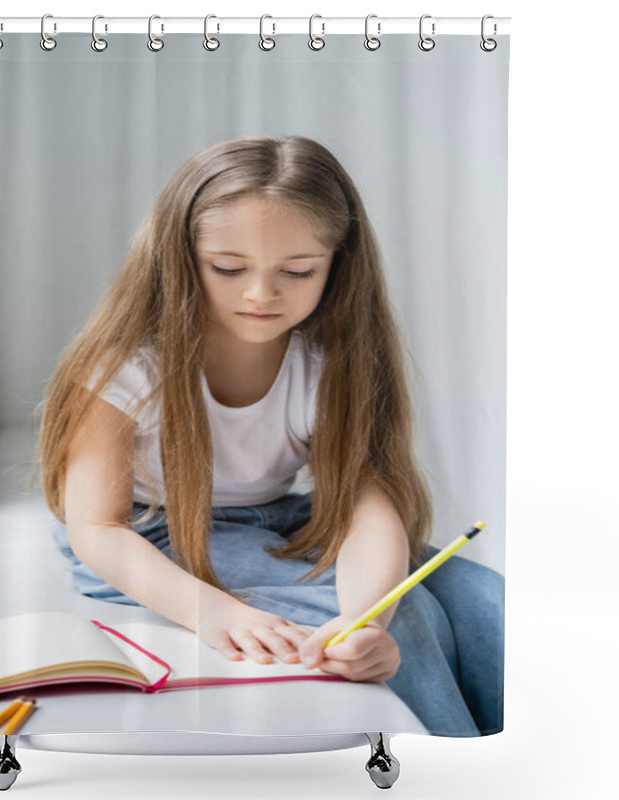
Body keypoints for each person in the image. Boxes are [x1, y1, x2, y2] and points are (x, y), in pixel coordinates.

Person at [36, 135, 504, 737]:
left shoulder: (329, 359)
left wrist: (368, 620)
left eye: (298, 270)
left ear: (338, 264)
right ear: (179, 257)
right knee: (410, 618)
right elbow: (97, 527)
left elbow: (368, 506)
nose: (261, 293)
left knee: (484, 601)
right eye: (229, 269)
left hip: (278, 517)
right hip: (151, 533)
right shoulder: (126, 366)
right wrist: (212, 612)